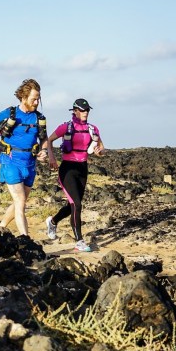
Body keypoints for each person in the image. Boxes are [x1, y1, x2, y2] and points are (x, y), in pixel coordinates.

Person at [0, 78, 55, 237]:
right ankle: (26, 239)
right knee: (21, 202)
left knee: (19, 203)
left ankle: (0, 226)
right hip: (10, 162)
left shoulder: (39, 118)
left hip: (29, 165)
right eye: (33, 99)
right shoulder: (9, 113)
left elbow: (43, 138)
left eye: (38, 99)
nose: (36, 102)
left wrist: (44, 151)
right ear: (23, 97)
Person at [44, 98, 105, 252]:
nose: (86, 112)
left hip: (82, 169)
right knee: (77, 205)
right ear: (75, 111)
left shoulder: (93, 129)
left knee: (72, 205)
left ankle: (53, 221)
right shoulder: (66, 127)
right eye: (83, 110)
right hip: (67, 169)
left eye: (87, 110)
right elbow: (49, 140)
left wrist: (99, 152)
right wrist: (51, 158)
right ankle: (79, 241)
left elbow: (101, 149)